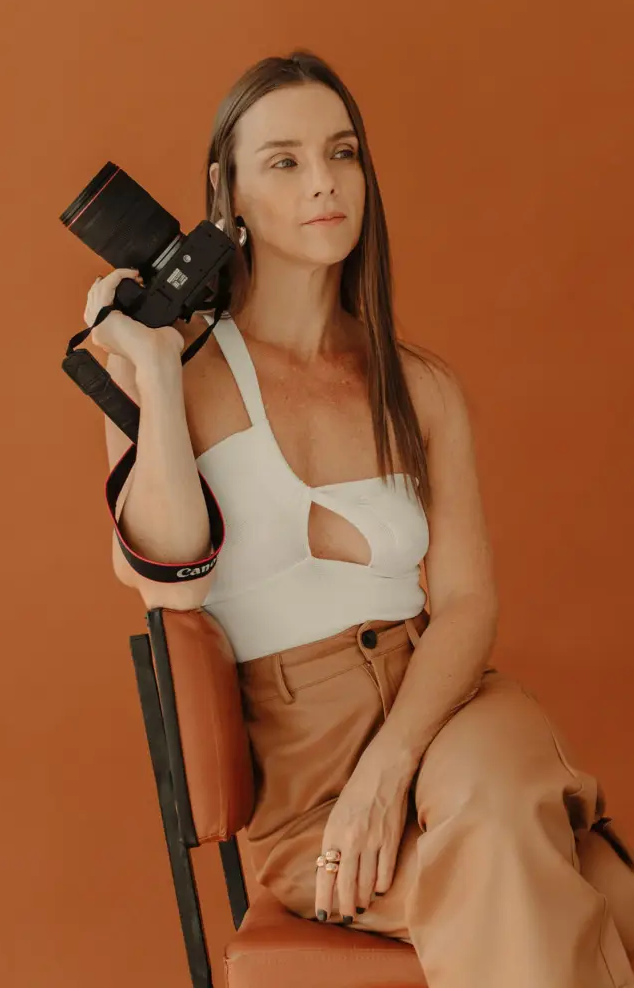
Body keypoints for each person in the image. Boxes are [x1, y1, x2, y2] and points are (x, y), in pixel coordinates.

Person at [85, 50, 634, 987]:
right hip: (305, 790)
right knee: (570, 894)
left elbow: (466, 604)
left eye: (341, 153)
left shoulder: (420, 388)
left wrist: (389, 768)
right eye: (285, 160)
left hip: (448, 717)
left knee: (498, 821)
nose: (324, 182)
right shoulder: (174, 375)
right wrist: (159, 379)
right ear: (227, 192)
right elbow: (168, 580)